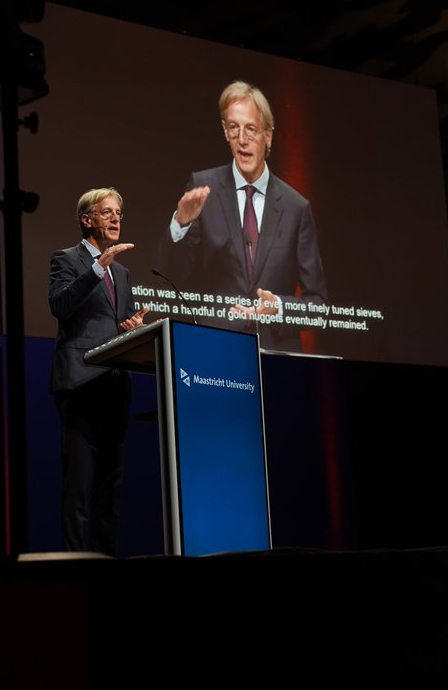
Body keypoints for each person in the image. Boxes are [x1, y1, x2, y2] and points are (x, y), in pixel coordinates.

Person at [157, 79, 328, 353]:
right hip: (216, 348)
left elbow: (318, 306)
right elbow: (172, 276)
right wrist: (180, 225)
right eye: (234, 128)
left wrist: (279, 308)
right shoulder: (203, 188)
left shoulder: (297, 207)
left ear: (268, 136)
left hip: (274, 355)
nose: (242, 139)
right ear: (225, 132)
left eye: (251, 129)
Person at [48, 187, 149, 556]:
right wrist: (96, 267)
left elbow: (115, 323)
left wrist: (130, 328)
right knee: (79, 487)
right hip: (80, 383)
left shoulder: (122, 273)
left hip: (114, 385)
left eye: (119, 213)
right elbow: (61, 305)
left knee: (111, 488)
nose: (116, 218)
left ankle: (106, 561)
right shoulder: (67, 259)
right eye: (107, 212)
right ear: (86, 219)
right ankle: (76, 565)